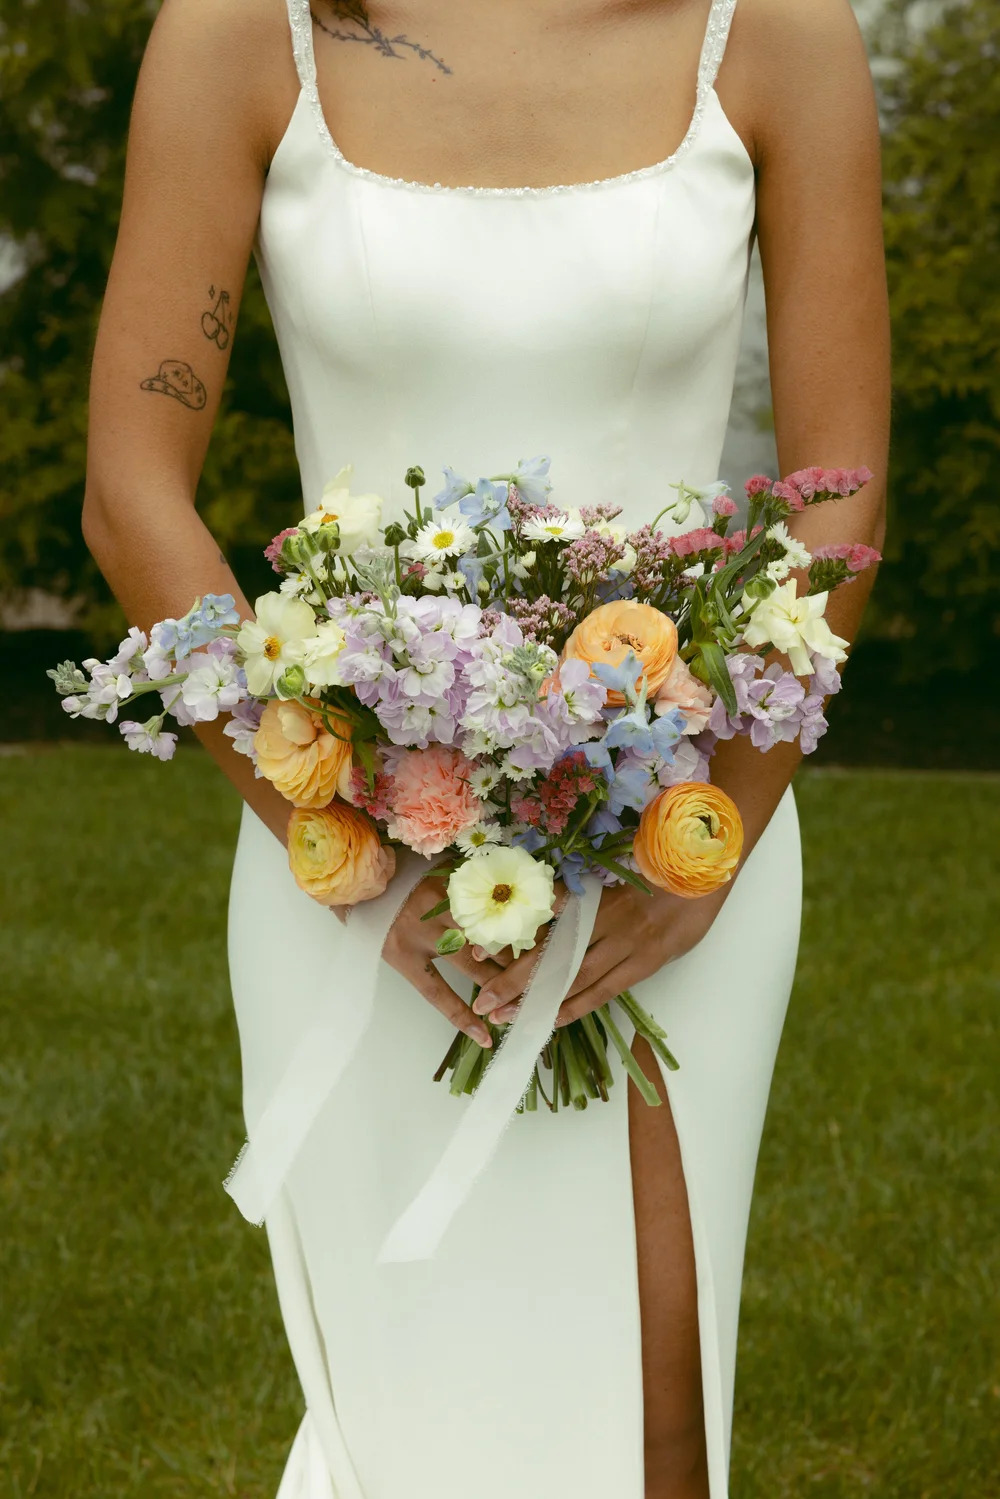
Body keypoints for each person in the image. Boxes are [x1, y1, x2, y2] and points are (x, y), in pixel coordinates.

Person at [81, 0, 890, 1495]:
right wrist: (345, 837)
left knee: (651, 1416)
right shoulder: (244, 34)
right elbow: (133, 490)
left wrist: (704, 851)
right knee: (410, 1427)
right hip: (347, 873)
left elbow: (842, 502)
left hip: (677, 848)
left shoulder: (774, 31)